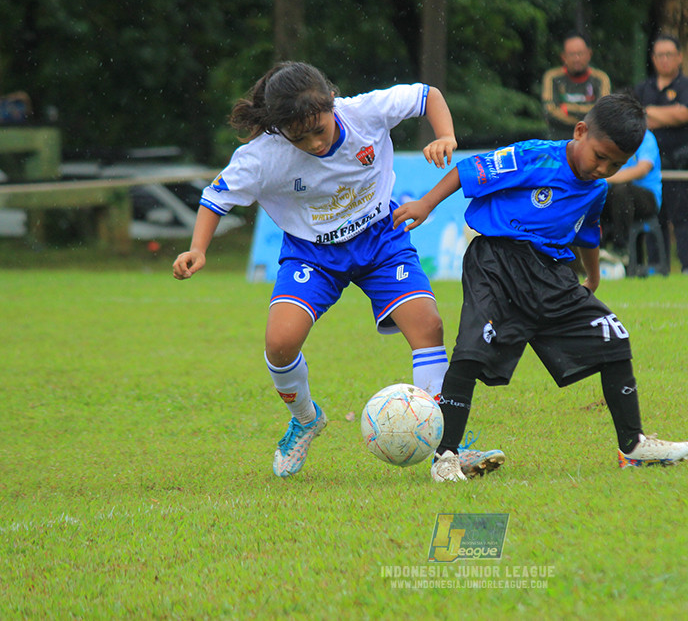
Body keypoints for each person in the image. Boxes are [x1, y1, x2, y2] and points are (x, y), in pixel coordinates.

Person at [172, 61, 497, 480]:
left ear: (331, 104)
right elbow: (216, 198)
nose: (312, 143)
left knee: (427, 326)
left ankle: (446, 450)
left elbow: (428, 95)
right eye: (298, 137)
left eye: (318, 130)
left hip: (382, 239)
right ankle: (306, 419)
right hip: (312, 255)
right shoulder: (262, 156)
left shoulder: (365, 111)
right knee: (280, 343)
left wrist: (446, 135)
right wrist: (198, 249)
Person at [393, 93, 688, 483]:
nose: (603, 168)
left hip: (552, 273)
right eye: (600, 156)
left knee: (614, 338)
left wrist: (593, 276)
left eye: (616, 164)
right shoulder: (535, 157)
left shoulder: (597, 189)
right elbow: (467, 171)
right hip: (495, 262)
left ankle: (633, 444)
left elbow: (588, 233)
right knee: (470, 352)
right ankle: (446, 456)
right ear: (580, 131)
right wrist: (426, 204)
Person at [635, 34, 688, 275]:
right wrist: (664, 114)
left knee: (684, 214)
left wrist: (651, 113)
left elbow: (684, 114)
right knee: (655, 214)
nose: (664, 60)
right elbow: (636, 119)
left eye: (669, 54)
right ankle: (658, 266)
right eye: (659, 55)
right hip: (650, 164)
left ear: (679, 57)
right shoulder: (643, 88)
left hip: (682, 160)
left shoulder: (687, 87)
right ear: (653, 59)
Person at [601, 127, 663, 262]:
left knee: (621, 190)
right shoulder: (610, 136)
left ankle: (620, 249)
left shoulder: (645, 137)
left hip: (646, 197)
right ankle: (596, 248)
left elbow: (642, 169)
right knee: (592, 195)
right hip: (614, 194)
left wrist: (606, 178)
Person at [541, 31, 612, 140]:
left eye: (580, 53)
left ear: (589, 54)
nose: (576, 59)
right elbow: (549, 112)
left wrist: (567, 108)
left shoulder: (601, 79)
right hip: (558, 142)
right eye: (572, 54)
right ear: (563, 57)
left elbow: (602, 112)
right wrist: (586, 121)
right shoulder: (552, 77)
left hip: (589, 142)